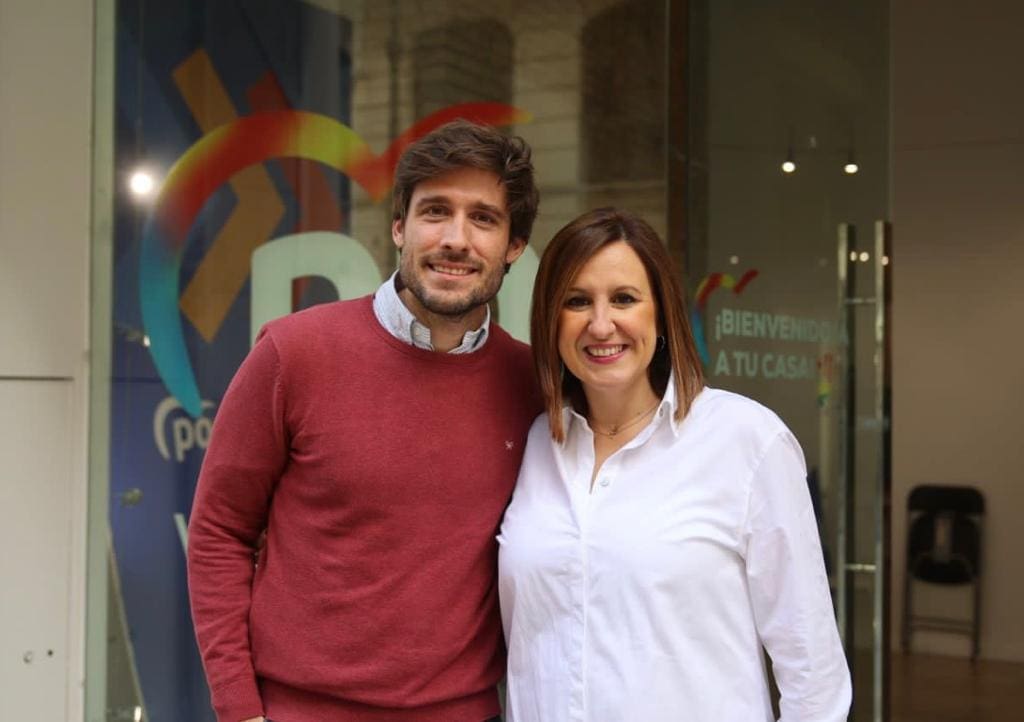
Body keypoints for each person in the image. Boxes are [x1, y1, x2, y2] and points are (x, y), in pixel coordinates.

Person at [187, 120, 541, 722]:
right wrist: (239, 707)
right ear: (400, 226)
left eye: (483, 218)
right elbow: (220, 532)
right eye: (435, 211)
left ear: (514, 246)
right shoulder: (293, 354)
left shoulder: (529, 383)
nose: (455, 239)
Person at [498, 207, 851, 721]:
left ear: (661, 313)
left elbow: (813, 673)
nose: (601, 324)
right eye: (577, 301)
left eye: (624, 298)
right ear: (551, 320)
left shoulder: (747, 440)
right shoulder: (536, 444)